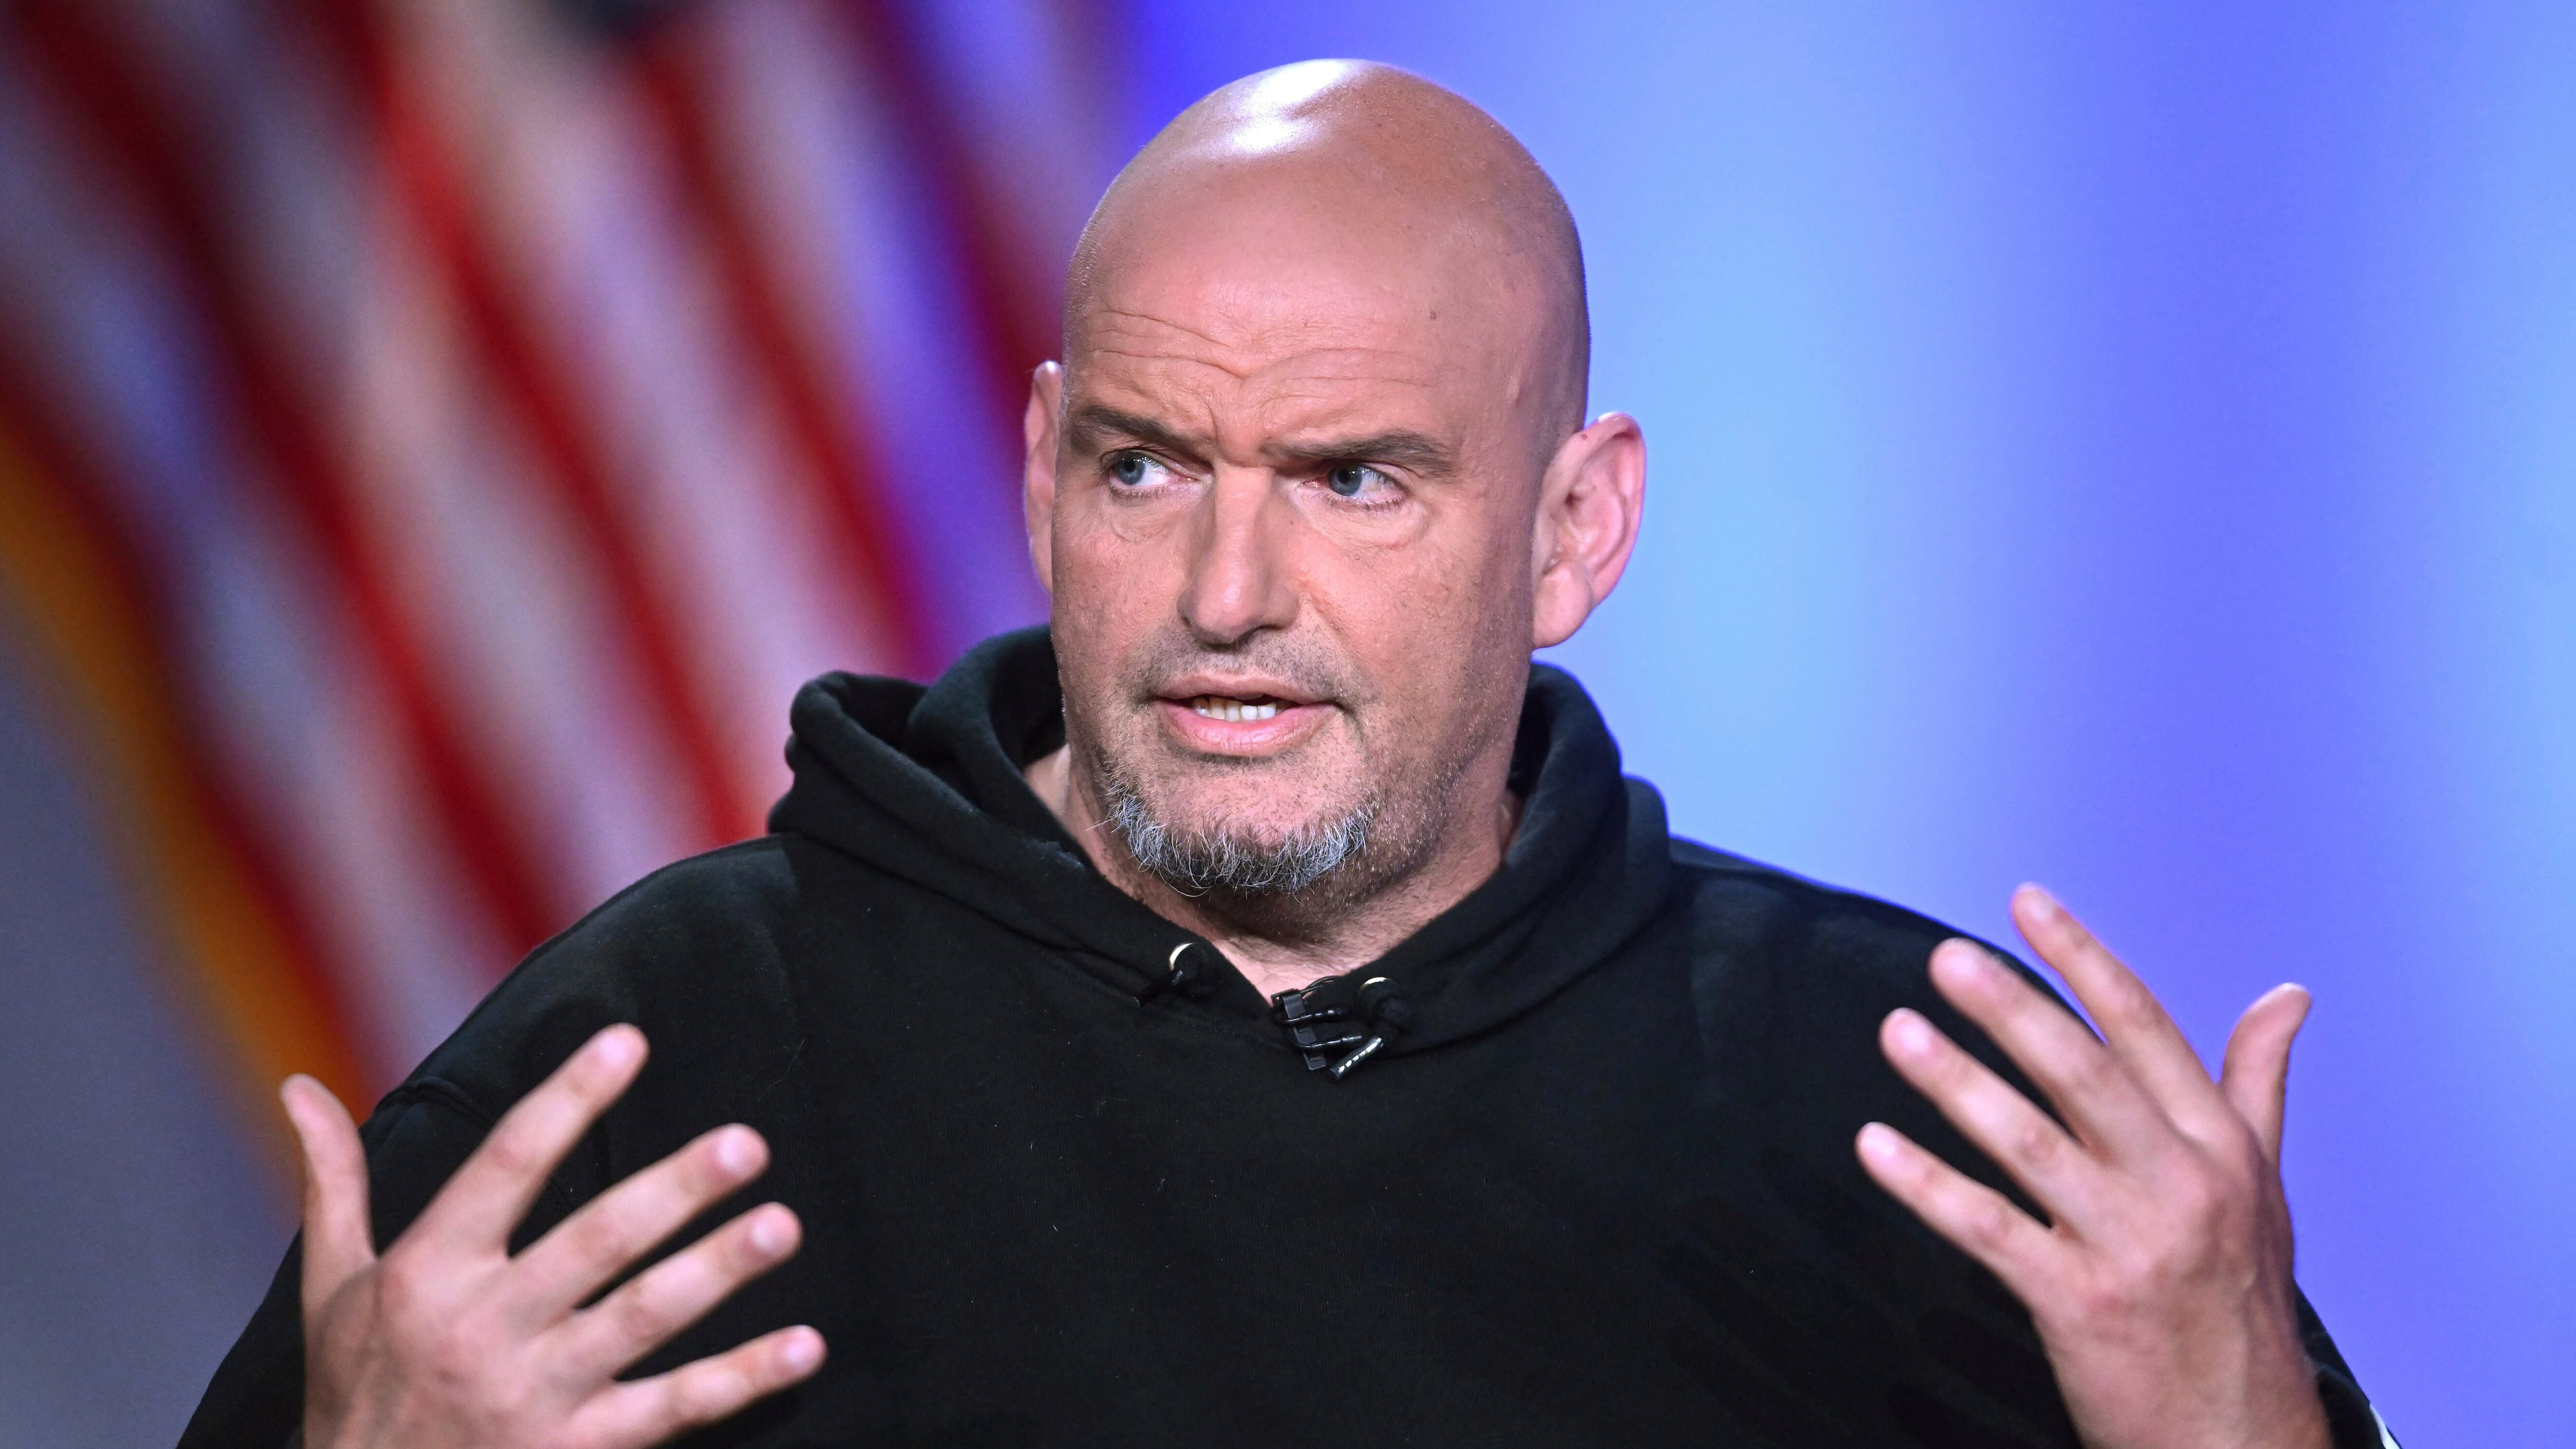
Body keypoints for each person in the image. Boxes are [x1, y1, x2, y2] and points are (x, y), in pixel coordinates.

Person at [182, 61, 2391, 1449]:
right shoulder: (655, 1066)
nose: (1227, 592)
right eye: (1150, 470)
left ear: (1576, 529)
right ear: (1046, 471)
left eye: (1352, 480)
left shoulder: (1910, 1117)